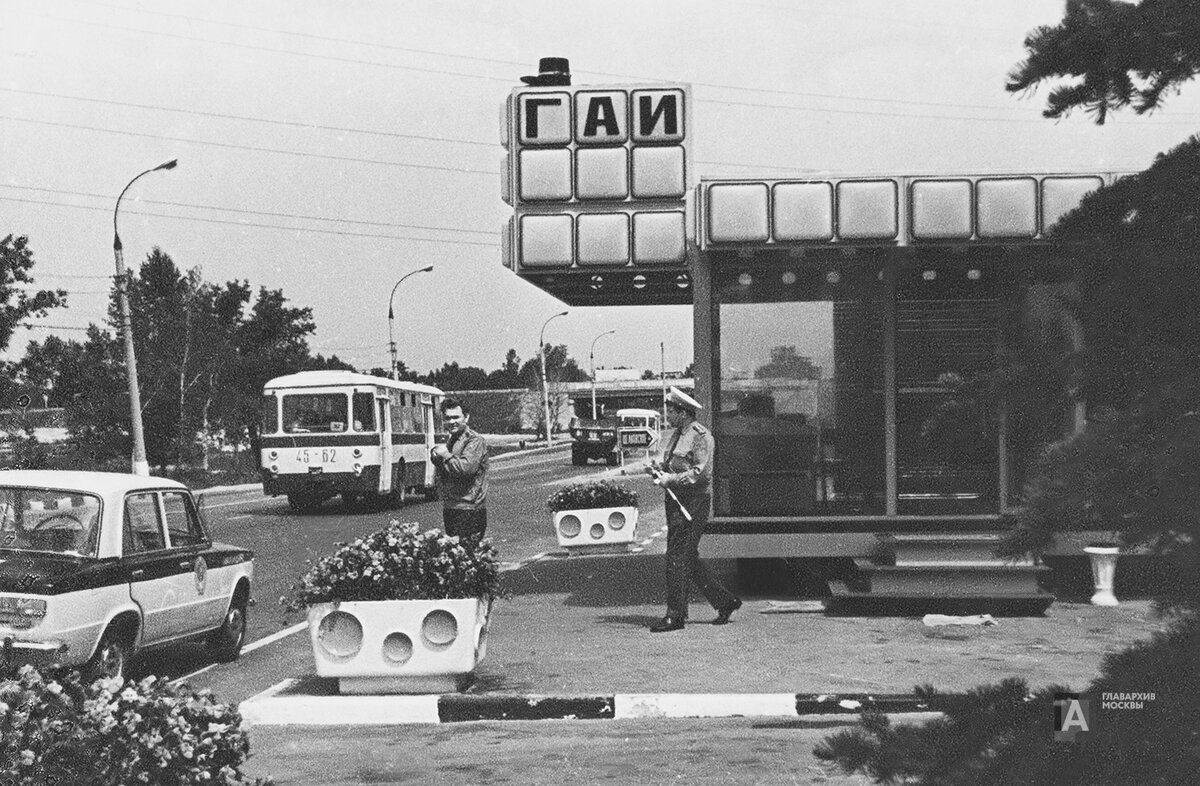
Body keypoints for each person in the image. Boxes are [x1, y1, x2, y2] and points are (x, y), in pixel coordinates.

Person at [644, 386, 741, 633]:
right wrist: (660, 471)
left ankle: (675, 615)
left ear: (684, 412)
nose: (668, 415)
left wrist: (671, 480)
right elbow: (677, 464)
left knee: (676, 557)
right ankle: (725, 602)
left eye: (672, 411)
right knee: (687, 557)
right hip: (677, 501)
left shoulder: (700, 436)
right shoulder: (678, 434)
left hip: (693, 503)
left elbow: (701, 474)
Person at [430, 398, 489, 544]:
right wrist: (435, 455)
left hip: (469, 508)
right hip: (451, 506)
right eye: (447, 418)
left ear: (466, 417)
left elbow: (466, 468)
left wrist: (445, 455)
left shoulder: (474, 440)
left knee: (468, 553)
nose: (451, 422)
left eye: (456, 417)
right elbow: (446, 468)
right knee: (456, 554)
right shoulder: (452, 440)